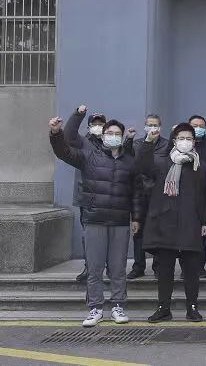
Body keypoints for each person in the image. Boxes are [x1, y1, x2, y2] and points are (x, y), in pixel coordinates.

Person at [49, 110, 142, 327]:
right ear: (102, 135)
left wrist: (136, 218)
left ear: (122, 137)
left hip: (120, 221)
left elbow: (136, 193)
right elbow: (64, 151)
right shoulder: (90, 156)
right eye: (109, 133)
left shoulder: (130, 161)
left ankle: (118, 305)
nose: (113, 136)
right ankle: (95, 308)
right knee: (95, 267)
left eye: (117, 134)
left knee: (118, 268)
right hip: (95, 219)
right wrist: (56, 133)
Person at [136, 123, 206, 323]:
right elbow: (142, 166)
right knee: (165, 271)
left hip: (190, 225)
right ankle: (163, 308)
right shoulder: (162, 163)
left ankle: (192, 308)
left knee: (191, 271)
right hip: (165, 224)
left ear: (194, 142)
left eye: (189, 138)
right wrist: (148, 142)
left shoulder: (199, 166)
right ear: (174, 140)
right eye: (181, 138)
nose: (185, 142)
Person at [65, 108, 107, 284]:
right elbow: (68, 135)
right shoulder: (82, 142)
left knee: (108, 234)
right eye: (94, 124)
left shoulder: (111, 143)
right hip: (86, 197)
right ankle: (89, 266)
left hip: (107, 197)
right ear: (89, 126)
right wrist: (78, 114)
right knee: (88, 235)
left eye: (100, 123)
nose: (98, 126)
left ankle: (107, 266)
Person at [128, 114, 168, 280]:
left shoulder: (166, 144)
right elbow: (133, 164)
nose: (152, 128)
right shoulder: (138, 144)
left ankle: (158, 266)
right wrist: (130, 140)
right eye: (149, 125)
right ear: (145, 127)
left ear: (160, 127)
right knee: (138, 231)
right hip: (140, 192)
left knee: (160, 231)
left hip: (160, 194)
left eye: (155, 125)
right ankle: (138, 266)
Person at [190, 115, 206, 279]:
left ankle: (200, 267)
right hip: (186, 193)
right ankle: (186, 268)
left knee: (203, 231)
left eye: (201, 126)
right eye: (194, 125)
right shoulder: (184, 144)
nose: (198, 128)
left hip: (205, 193)